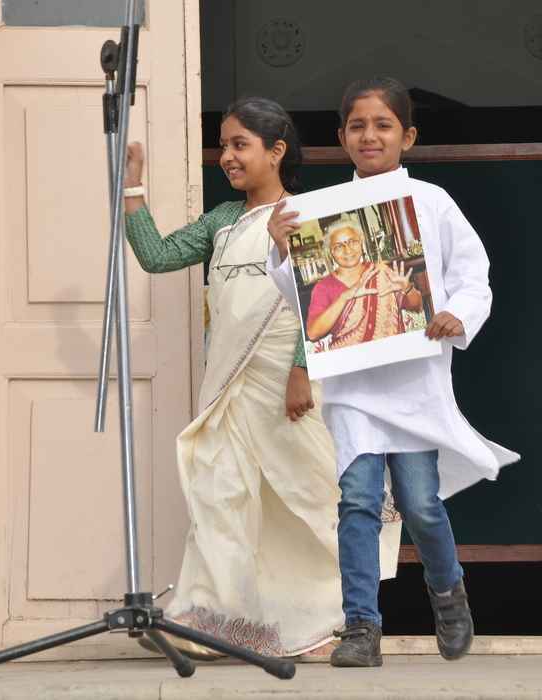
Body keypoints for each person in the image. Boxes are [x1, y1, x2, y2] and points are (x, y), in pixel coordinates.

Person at [122, 97, 401, 660]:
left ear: (276, 151)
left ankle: (333, 619)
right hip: (228, 388)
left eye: (239, 144)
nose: (226, 156)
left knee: (309, 500)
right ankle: (213, 623)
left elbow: (319, 302)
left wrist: (300, 369)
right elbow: (156, 256)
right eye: (223, 145)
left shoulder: (308, 216)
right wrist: (133, 187)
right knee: (218, 495)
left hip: (288, 388)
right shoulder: (223, 221)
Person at [267, 77, 519, 668]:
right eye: (357, 126)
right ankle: (361, 627)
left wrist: (457, 314)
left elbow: (472, 273)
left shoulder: (431, 203)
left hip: (413, 386)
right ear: (341, 137)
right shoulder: (320, 212)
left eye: (383, 125)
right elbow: (302, 300)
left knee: (421, 503)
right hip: (353, 388)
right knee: (356, 502)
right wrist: (281, 249)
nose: (370, 136)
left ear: (407, 136)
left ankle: (448, 594)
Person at [305, 220, 422, 349]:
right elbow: (313, 334)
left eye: (352, 242)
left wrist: (408, 288)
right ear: (331, 252)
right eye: (339, 246)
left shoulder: (380, 272)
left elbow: (417, 306)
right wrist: (344, 297)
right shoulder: (323, 288)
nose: (347, 250)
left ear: (361, 242)